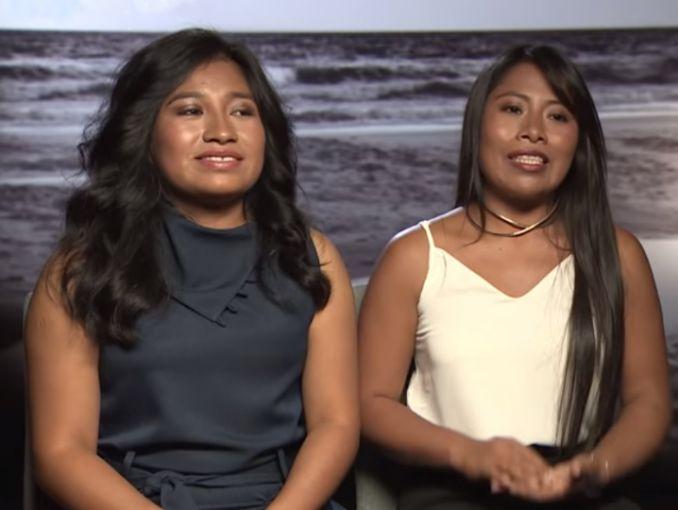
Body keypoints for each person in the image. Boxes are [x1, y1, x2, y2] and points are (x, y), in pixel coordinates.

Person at [24, 29, 358, 510]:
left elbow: (336, 425)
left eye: (242, 111)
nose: (222, 130)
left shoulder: (312, 257)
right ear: (143, 130)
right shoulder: (83, 267)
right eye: (190, 110)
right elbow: (61, 452)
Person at [358, 45, 670, 509]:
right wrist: (472, 455)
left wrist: (596, 467)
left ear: (578, 141)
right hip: (451, 491)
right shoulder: (413, 256)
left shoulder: (617, 254)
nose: (534, 131)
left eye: (558, 116)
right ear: (478, 125)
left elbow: (648, 400)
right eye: (512, 109)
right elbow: (371, 403)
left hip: (581, 489)